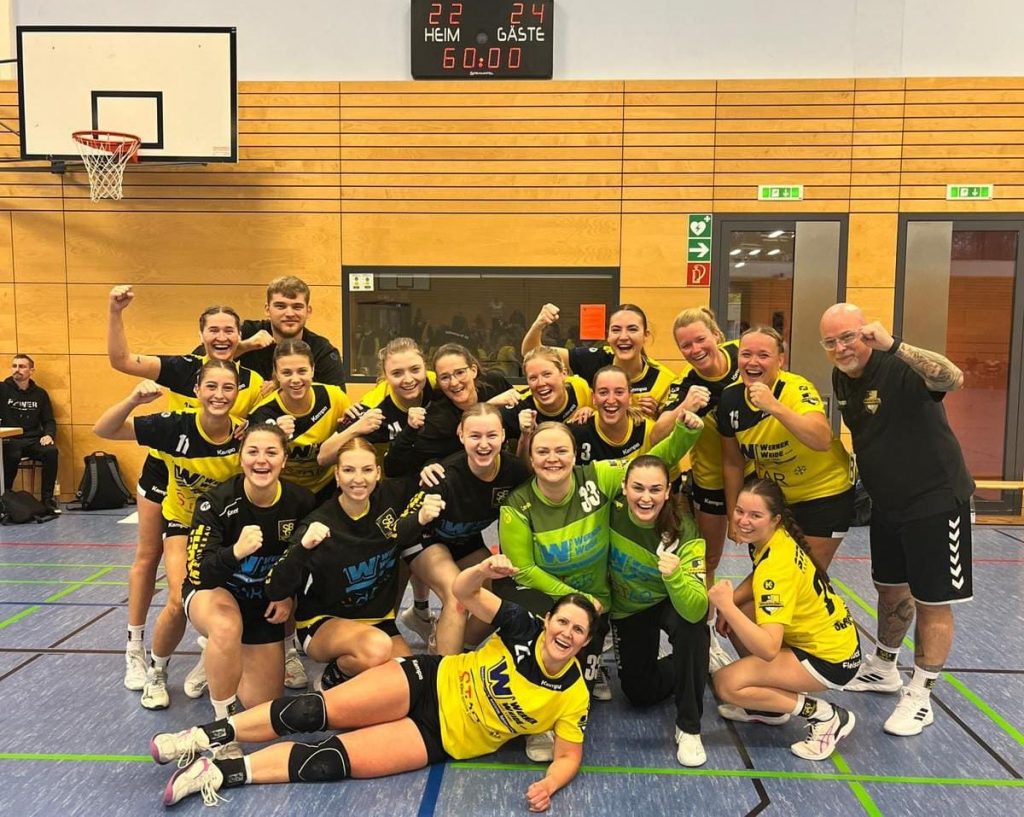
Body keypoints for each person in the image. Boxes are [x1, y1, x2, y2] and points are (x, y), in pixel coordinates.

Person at [152, 555, 593, 812]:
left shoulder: (573, 694)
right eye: (563, 622)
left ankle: (217, 773)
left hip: (439, 738)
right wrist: (481, 569)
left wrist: (549, 785)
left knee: (329, 761)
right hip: (427, 682)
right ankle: (201, 737)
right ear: (548, 621)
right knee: (312, 711)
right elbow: (463, 592)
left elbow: (568, 755)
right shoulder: (521, 625)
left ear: (586, 642)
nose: (567, 634)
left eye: (578, 631)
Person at [499, 412, 702, 759]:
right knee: (544, 643)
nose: (552, 459)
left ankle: (690, 707)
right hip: (559, 600)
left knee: (685, 633)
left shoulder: (598, 478)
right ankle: (539, 723)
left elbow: (648, 469)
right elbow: (524, 571)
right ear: (530, 457)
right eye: (543, 451)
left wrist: (685, 433)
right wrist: (576, 599)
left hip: (601, 605)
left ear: (575, 454)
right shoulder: (518, 505)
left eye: (561, 450)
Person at [819, 303, 974, 736]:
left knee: (932, 600)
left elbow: (952, 378)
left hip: (935, 501)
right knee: (890, 588)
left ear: (866, 332)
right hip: (887, 503)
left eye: (847, 337)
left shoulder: (900, 365)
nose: (840, 348)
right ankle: (884, 666)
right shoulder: (841, 377)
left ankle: (921, 694)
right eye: (830, 342)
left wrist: (894, 344)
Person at [106, 286, 269, 694]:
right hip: (169, 472)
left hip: (216, 483)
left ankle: (210, 652)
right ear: (201, 334)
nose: (221, 337)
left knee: (217, 578)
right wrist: (115, 312)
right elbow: (121, 360)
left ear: (239, 335)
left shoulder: (250, 381)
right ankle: (135, 646)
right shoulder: (182, 369)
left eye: (230, 331)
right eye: (213, 330)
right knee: (149, 557)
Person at [93, 360, 243, 710]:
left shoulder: (244, 434)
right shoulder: (174, 426)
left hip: (225, 530)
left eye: (228, 387)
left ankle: (211, 658)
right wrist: (132, 401)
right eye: (211, 386)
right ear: (197, 390)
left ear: (238, 392)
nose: (219, 395)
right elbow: (105, 429)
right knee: (178, 600)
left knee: (237, 602)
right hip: (183, 524)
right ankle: (157, 671)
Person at [264, 438, 443, 692]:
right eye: (348, 470)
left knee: (411, 682)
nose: (358, 479)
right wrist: (302, 547)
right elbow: (274, 586)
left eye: (367, 470)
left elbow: (433, 477)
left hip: (378, 619)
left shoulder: (391, 496)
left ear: (378, 473)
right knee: (376, 649)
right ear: (337, 475)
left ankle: (356, 679)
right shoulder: (319, 522)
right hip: (323, 622)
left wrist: (432, 467)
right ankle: (333, 678)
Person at [709, 478, 861, 761]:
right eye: (740, 511)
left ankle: (826, 716)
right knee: (744, 612)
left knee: (727, 683)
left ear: (775, 519)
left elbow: (768, 648)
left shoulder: (776, 569)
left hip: (830, 661)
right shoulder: (776, 538)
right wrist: (734, 604)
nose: (743, 521)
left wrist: (726, 605)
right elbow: (759, 576)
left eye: (755, 515)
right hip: (835, 641)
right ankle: (769, 708)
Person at [183, 423, 316, 723]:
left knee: (262, 705)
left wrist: (287, 595)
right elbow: (199, 573)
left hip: (262, 603)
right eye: (253, 451)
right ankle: (222, 723)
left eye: (271, 452)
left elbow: (307, 560)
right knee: (226, 627)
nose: (261, 460)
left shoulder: (302, 501)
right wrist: (235, 552)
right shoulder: (215, 503)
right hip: (215, 592)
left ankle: (221, 656)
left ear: (284, 460)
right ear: (240, 457)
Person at [319, 337, 438, 644]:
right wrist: (356, 428)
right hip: (391, 490)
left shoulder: (439, 384)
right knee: (397, 557)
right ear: (385, 375)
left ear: (425, 366)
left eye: (415, 369)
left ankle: (420, 611)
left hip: (431, 482)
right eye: (397, 373)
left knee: (428, 547)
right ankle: (382, 624)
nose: (408, 379)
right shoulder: (374, 405)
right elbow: (325, 455)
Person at [719, 326, 854, 570]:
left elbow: (822, 439)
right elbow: (732, 463)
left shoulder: (796, 388)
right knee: (767, 571)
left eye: (763, 355)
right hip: (776, 499)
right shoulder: (730, 398)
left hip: (823, 495)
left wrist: (774, 407)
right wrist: (733, 517)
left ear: (780, 360)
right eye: (746, 354)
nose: (753, 362)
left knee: (804, 575)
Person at [653, 307, 743, 673]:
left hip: (759, 474)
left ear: (717, 334)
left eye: (700, 339)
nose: (694, 349)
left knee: (770, 558)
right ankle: (706, 640)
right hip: (712, 481)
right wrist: (684, 408)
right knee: (707, 561)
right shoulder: (686, 383)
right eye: (685, 345)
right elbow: (657, 432)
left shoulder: (743, 356)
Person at [609, 455, 710, 767]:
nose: (646, 497)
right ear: (624, 487)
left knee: (692, 629)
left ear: (667, 492)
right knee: (638, 693)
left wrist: (675, 576)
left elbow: (697, 608)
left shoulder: (685, 528)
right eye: (638, 488)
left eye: (655, 489)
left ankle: (689, 727)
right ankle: (698, 665)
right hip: (629, 607)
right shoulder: (609, 512)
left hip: (670, 598)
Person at [413, 403, 532, 654]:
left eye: (491, 435)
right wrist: (421, 516)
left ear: (503, 435)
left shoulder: (515, 471)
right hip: (426, 540)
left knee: (501, 596)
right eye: (475, 436)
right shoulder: (443, 476)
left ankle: (453, 646)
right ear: (461, 435)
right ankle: (442, 672)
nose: (484, 444)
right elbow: (403, 529)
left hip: (466, 541)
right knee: (456, 596)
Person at [522, 303, 676, 418]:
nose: (623, 336)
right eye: (616, 330)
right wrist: (539, 324)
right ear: (608, 335)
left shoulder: (664, 380)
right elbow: (532, 353)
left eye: (632, 329)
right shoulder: (595, 359)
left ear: (645, 335)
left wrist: (658, 415)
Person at [383, 343, 514, 478]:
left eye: (460, 372)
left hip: (503, 471)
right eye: (445, 377)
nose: (454, 382)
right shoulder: (437, 419)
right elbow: (394, 467)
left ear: (473, 370)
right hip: (463, 480)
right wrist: (428, 465)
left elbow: (521, 410)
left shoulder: (495, 384)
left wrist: (489, 405)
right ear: (438, 382)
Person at [248, 339, 353, 505]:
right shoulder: (262, 413)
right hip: (285, 492)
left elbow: (351, 444)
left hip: (329, 487)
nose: (295, 379)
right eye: (287, 373)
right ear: (276, 374)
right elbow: (254, 464)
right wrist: (274, 436)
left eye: (302, 371)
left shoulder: (334, 397)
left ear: (312, 370)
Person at [229, 275, 347, 387]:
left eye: (297, 307)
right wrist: (245, 346)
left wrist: (282, 387)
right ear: (267, 310)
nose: (290, 314)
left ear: (308, 311)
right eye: (280, 306)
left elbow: (338, 395)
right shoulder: (248, 333)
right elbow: (217, 361)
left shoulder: (322, 351)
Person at [505, 346, 593, 456]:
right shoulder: (520, 405)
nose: (541, 383)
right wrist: (493, 403)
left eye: (547, 374)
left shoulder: (579, 387)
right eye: (533, 378)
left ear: (564, 374)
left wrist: (592, 411)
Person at [0, 354, 59, 512]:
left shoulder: (40, 394)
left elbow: (49, 420)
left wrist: (49, 435)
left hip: (32, 439)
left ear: (31, 371)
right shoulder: (2, 389)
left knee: (51, 452)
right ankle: (5, 499)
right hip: (9, 440)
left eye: (22, 366)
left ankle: (47, 500)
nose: (17, 369)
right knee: (11, 454)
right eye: (14, 366)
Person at [571, 365, 655, 464]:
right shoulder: (575, 433)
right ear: (593, 398)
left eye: (619, 392)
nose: (611, 400)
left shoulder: (649, 432)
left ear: (630, 397)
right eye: (603, 392)